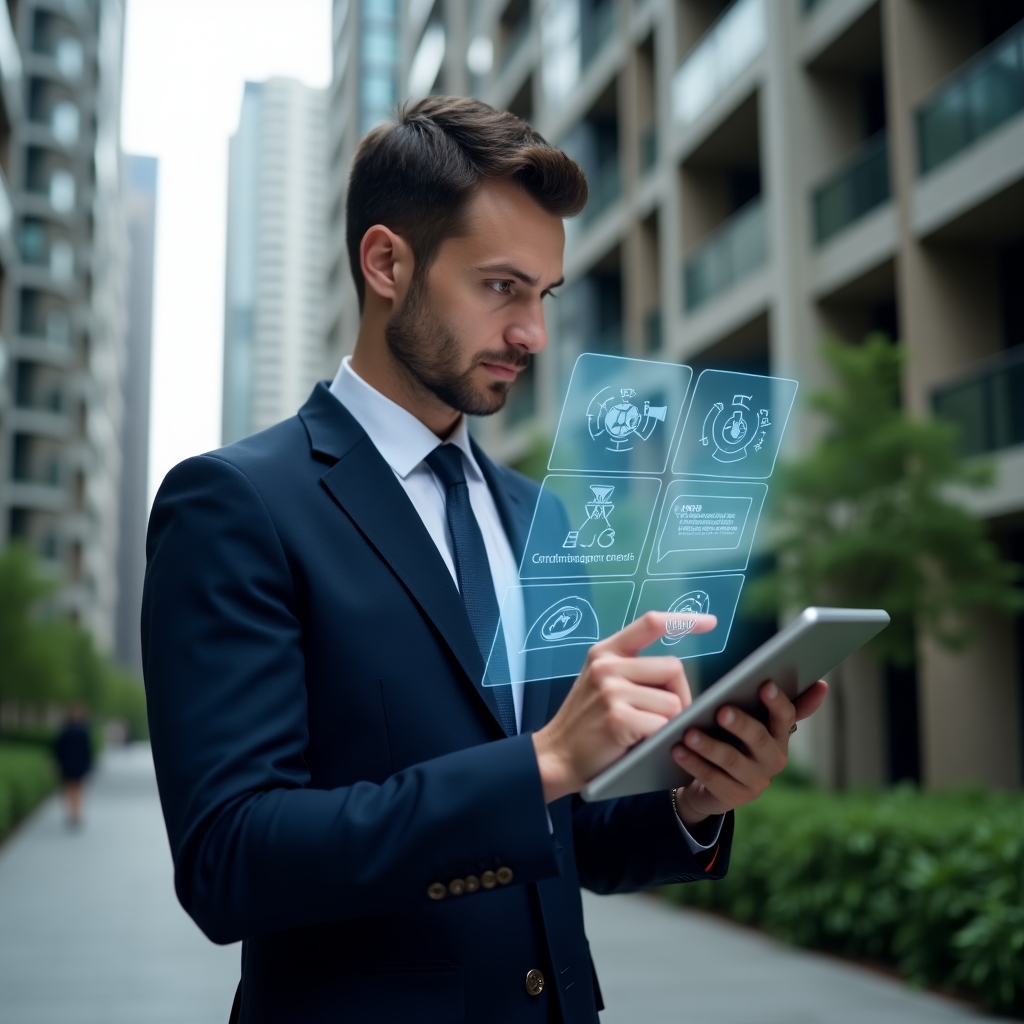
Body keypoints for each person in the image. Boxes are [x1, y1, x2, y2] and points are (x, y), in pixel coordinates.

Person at [143, 97, 828, 1024]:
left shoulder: (534, 514)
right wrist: (542, 760)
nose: (533, 336)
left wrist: (693, 799)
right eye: (500, 287)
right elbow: (232, 859)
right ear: (387, 262)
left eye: (543, 296)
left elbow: (570, 835)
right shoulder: (235, 503)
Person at [54, 703, 93, 827]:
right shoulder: (66, 730)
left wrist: (89, 764)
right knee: (69, 789)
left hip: (79, 763)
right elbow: (59, 748)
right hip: (67, 763)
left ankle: (76, 813)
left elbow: (88, 749)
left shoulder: (84, 730)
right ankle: (72, 812)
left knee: (78, 789)